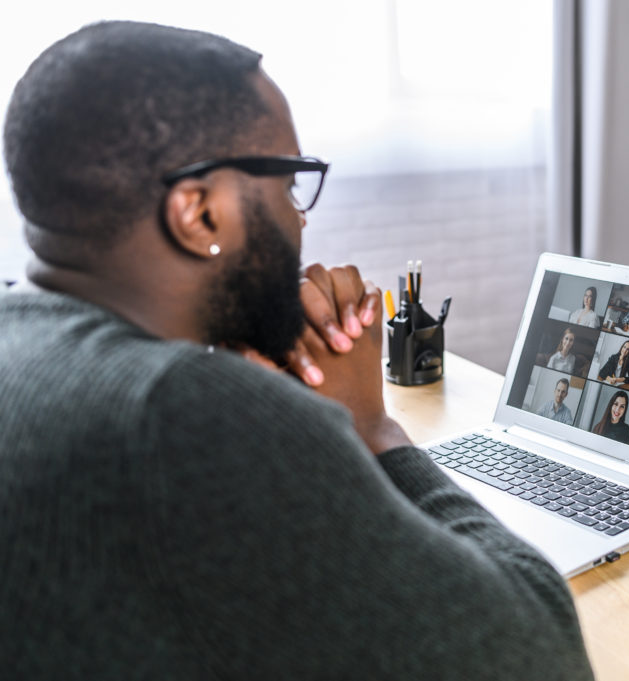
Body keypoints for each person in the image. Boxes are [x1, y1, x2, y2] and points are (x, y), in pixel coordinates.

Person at [0, 22, 593, 680]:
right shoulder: (181, 412)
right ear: (199, 215)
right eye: (288, 185)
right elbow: (539, 658)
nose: (300, 218)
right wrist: (369, 425)